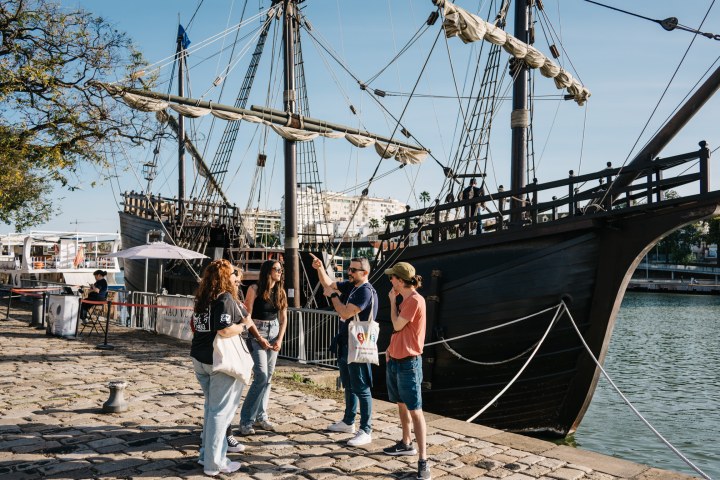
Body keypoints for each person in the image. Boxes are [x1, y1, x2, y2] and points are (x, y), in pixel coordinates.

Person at [190, 259, 256, 476]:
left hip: (200, 358)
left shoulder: (202, 297)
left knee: (211, 409)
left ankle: (205, 455)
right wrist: (244, 325)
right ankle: (215, 463)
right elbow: (225, 330)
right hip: (218, 360)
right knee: (220, 413)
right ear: (224, 278)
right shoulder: (225, 298)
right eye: (232, 275)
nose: (235, 279)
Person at [310, 253, 378, 447]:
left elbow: (345, 312)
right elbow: (330, 283)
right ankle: (349, 421)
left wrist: (332, 297)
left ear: (364, 272)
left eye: (353, 270)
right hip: (346, 341)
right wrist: (320, 268)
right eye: (349, 268)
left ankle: (366, 429)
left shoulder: (366, 291)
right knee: (349, 385)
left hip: (358, 344)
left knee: (362, 387)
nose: (349, 272)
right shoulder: (351, 286)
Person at [382, 262, 431, 480]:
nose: (390, 280)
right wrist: (391, 348)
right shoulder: (408, 300)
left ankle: (423, 460)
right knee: (401, 404)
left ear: (400, 281)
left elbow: (397, 325)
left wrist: (392, 302)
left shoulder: (413, 300)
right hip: (396, 359)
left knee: (415, 410)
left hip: (408, 363)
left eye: (392, 277)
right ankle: (406, 442)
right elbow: (403, 332)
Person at [238, 260, 287, 435]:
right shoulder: (254, 289)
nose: (280, 272)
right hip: (256, 331)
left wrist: (280, 339)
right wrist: (259, 338)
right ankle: (246, 421)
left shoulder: (280, 291)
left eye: (281, 270)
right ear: (268, 271)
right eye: (277, 269)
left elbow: (283, 318)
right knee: (261, 376)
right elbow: (247, 315)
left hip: (273, 331)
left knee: (269, 377)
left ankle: (261, 416)